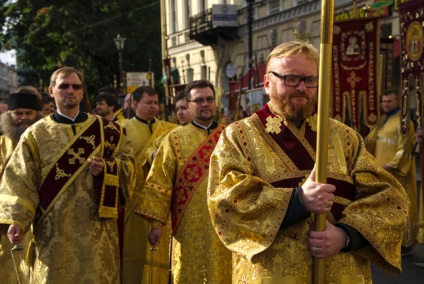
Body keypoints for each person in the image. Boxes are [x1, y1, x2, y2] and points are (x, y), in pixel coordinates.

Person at [207, 41, 409, 283]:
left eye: (310, 79)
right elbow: (226, 201)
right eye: (290, 78)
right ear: (267, 83)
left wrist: (346, 235)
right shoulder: (238, 136)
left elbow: (390, 198)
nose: (302, 87)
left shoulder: (345, 138)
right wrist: (298, 200)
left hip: (341, 270)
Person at [0, 67, 135, 283]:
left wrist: (110, 167)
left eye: (76, 86)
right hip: (53, 236)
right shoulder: (35, 135)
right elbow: (19, 179)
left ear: (82, 93)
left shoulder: (108, 130)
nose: (70, 90)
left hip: (98, 234)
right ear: (52, 91)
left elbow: (130, 166)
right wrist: (17, 219)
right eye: (64, 86)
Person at [138, 79, 232, 283]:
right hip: (189, 224)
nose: (205, 104)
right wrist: (156, 224)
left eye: (209, 99)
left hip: (229, 222)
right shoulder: (174, 139)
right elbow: (160, 181)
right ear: (188, 105)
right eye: (199, 100)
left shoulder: (231, 135)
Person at [122, 85, 177, 284]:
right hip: (134, 202)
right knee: (135, 252)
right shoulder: (122, 129)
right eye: (148, 103)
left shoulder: (171, 130)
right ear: (135, 104)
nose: (153, 107)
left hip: (161, 201)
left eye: (156, 103)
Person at [365, 89, 418, 255]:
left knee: (399, 207)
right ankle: (386, 241)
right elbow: (372, 140)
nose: (385, 104)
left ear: (398, 102)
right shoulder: (382, 120)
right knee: (384, 207)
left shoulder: (404, 123)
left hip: (396, 173)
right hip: (380, 170)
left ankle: (404, 243)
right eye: (383, 101)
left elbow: (406, 148)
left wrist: (389, 167)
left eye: (389, 101)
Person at [0, 88, 43, 282]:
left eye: (29, 113)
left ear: (37, 115)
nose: (24, 118)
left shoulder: (46, 143)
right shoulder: (1, 145)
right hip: (7, 222)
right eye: (18, 113)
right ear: (9, 115)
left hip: (41, 218)